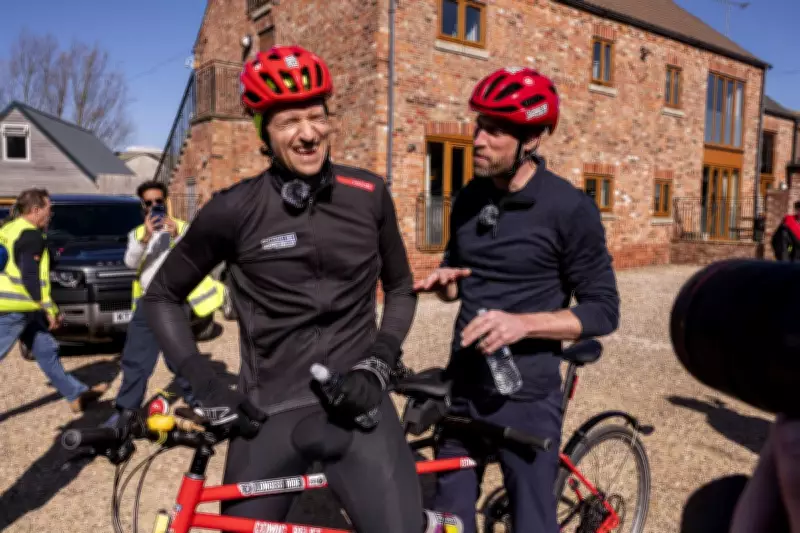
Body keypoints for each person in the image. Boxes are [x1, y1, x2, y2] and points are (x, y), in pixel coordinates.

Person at [140, 45, 423, 532]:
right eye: (290, 121)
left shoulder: (370, 195)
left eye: (316, 116)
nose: (308, 133)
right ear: (263, 133)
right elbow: (162, 295)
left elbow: (401, 289)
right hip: (268, 415)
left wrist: (377, 365)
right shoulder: (233, 210)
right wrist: (204, 383)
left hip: (361, 411)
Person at [415, 67, 621, 533]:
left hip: (526, 393)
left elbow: (603, 310)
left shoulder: (569, 208)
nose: (479, 139)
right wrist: (447, 284)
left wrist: (523, 324)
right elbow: (462, 282)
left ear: (533, 139)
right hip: (464, 386)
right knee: (448, 521)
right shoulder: (469, 198)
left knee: (532, 523)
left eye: (496, 129)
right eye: (479, 125)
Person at [110, 181, 224, 417]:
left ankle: (200, 403)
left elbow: (200, 257)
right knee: (135, 359)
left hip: (173, 300)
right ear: (143, 206)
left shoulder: (183, 228)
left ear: (166, 201)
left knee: (181, 357)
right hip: (146, 302)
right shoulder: (137, 233)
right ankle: (125, 410)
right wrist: (145, 239)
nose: (154, 206)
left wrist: (178, 236)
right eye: (148, 203)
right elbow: (130, 263)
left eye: (158, 201)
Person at [0, 188, 107, 413]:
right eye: (49, 209)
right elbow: (30, 277)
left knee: (46, 349)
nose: (50, 214)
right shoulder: (30, 235)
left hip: (19, 305)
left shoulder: (8, 229)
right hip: (16, 306)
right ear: (36, 210)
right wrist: (49, 307)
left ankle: (76, 394)